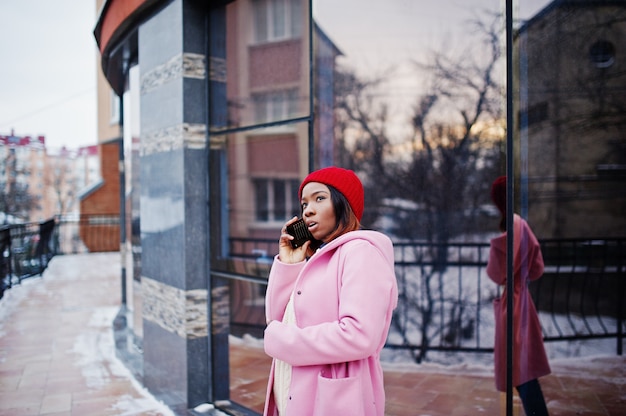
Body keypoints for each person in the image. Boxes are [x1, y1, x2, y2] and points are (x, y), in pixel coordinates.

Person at [262, 166, 398, 416]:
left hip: (332, 401)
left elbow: (359, 335)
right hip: (294, 389)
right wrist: (289, 264)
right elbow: (278, 320)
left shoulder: (361, 252)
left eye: (320, 198)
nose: (308, 209)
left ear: (342, 204)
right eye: (304, 204)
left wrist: (283, 342)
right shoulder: (317, 259)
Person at [486, 176, 551, 416]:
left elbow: (495, 274)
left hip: (510, 304)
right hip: (523, 301)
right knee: (523, 367)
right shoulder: (522, 226)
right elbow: (538, 268)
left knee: (519, 368)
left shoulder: (505, 233)